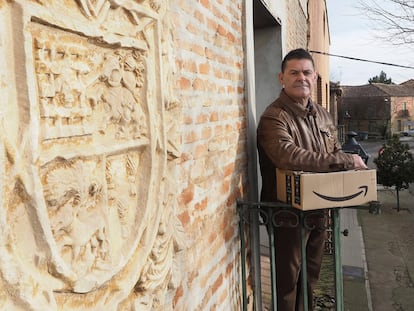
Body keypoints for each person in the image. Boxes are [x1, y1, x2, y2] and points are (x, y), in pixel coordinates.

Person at [257, 48, 367, 311]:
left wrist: (348, 164)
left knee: (310, 279)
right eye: (293, 72)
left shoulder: (322, 113)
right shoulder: (273, 117)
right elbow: (288, 156)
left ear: (315, 77)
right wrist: (344, 161)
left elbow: (333, 150)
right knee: (286, 285)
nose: (301, 78)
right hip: (287, 215)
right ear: (281, 77)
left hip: (319, 210)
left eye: (306, 72)